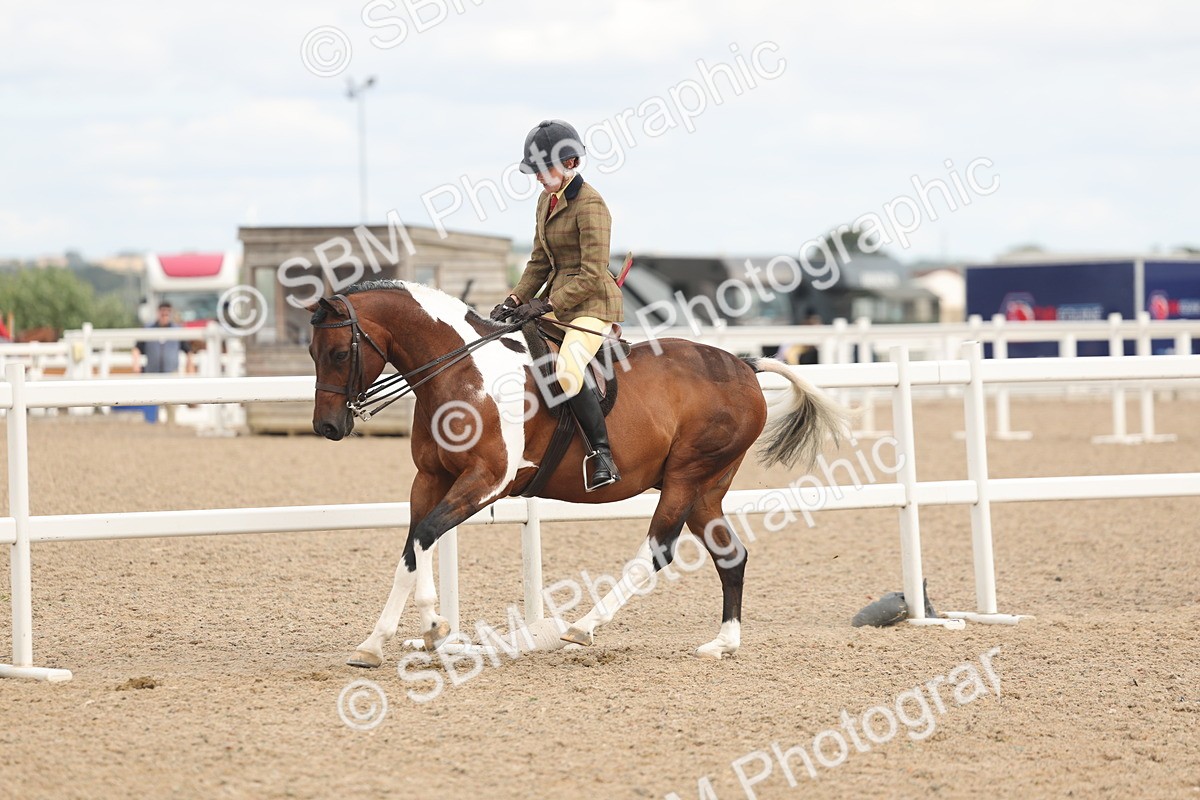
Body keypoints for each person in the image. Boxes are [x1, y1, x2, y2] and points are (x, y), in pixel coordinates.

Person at [491, 120, 623, 491]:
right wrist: (516, 298)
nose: (536, 177)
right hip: (556, 302)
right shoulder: (545, 200)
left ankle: (602, 454)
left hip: (593, 304)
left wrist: (546, 303)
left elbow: (593, 273)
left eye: (542, 169)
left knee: (566, 370)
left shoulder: (591, 204)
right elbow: (539, 262)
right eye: (533, 170)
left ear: (569, 163)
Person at [132, 302, 195, 422]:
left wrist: (190, 368)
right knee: (150, 402)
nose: (165, 316)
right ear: (158, 313)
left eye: (167, 313)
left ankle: (171, 424)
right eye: (163, 313)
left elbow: (188, 350)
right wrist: (136, 365)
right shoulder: (148, 329)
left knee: (171, 403)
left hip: (171, 371)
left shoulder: (177, 330)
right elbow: (137, 348)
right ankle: (151, 423)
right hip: (152, 371)